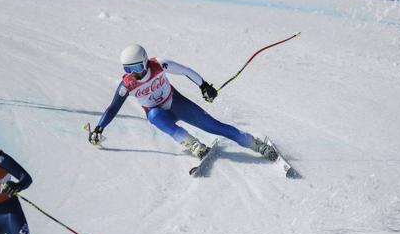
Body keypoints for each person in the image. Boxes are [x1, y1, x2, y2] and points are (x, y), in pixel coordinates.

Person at [88, 44, 278, 161]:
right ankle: (193, 144)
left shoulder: (159, 64)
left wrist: (204, 86)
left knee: (213, 126)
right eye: (128, 70)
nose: (134, 73)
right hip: (159, 113)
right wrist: (99, 128)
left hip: (175, 103)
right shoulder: (127, 85)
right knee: (153, 115)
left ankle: (255, 144)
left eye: (137, 67)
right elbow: (113, 107)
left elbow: (186, 71)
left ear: (145, 62)